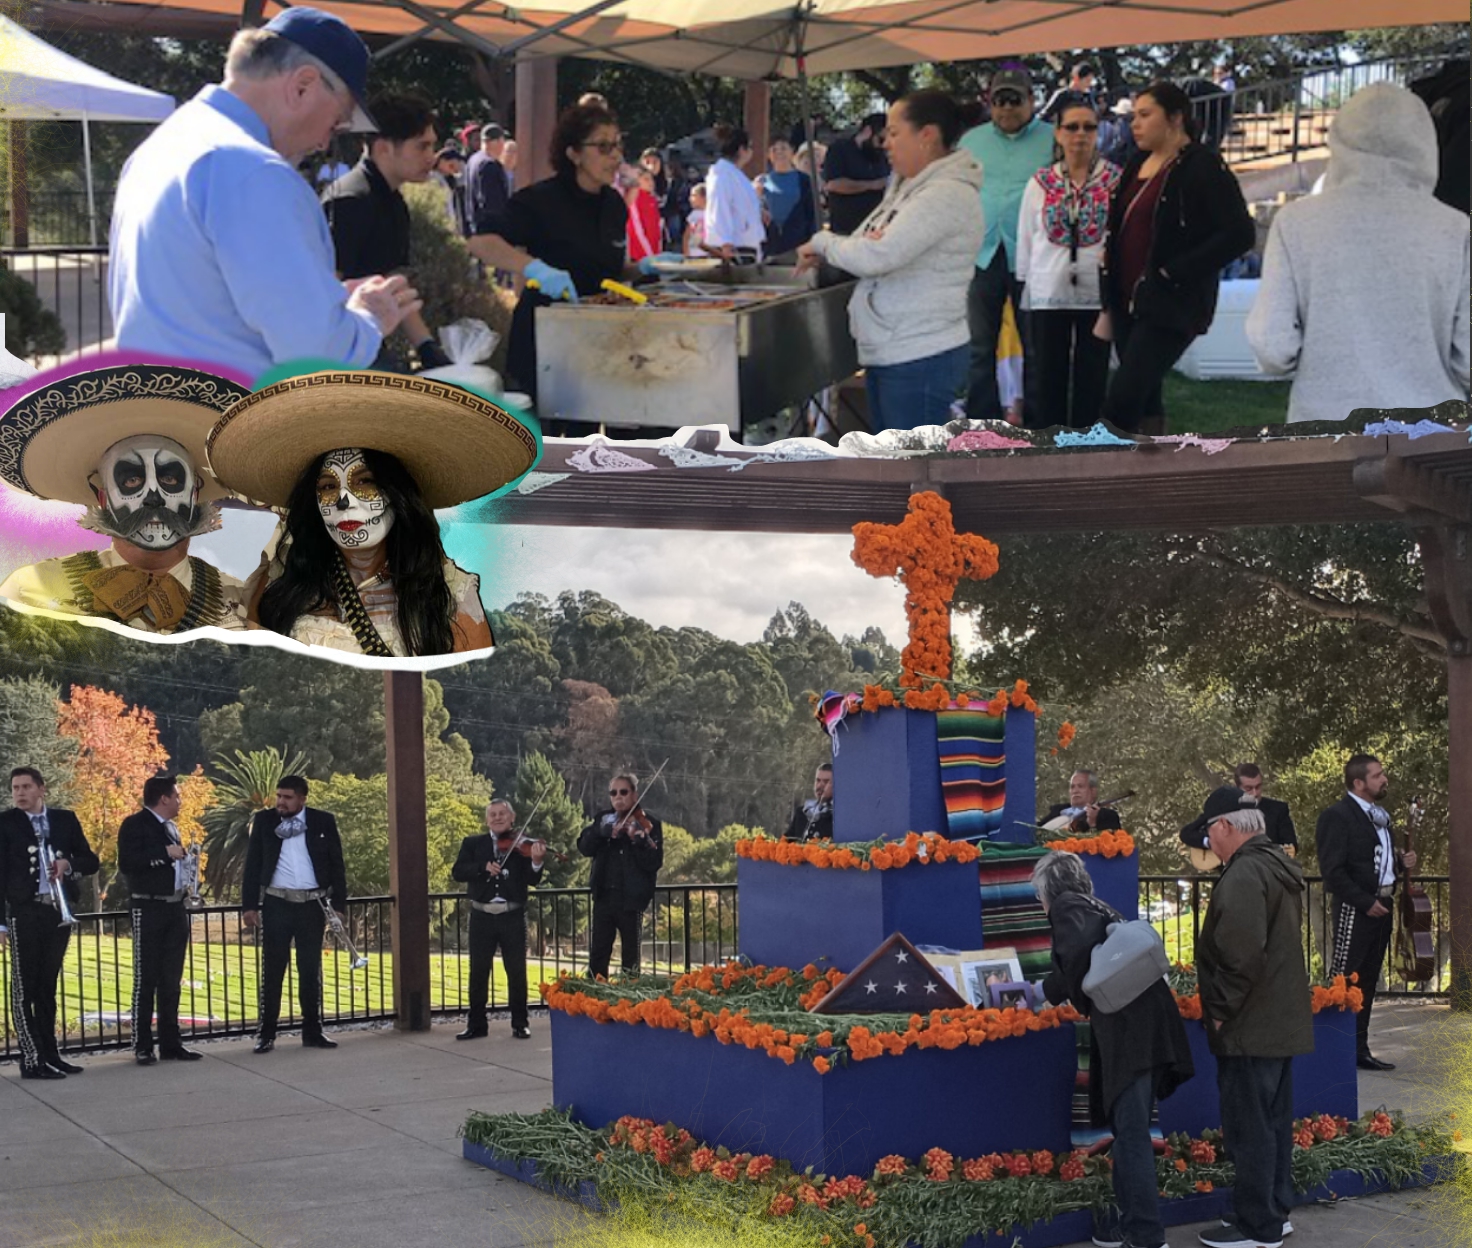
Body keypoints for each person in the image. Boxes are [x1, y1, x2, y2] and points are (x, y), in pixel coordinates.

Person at [109, 8, 419, 378]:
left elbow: (210, 303)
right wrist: (370, 316)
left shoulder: (163, 146)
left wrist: (323, 298)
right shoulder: (255, 171)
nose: (324, 142)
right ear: (302, 85)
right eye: (337, 122)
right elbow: (318, 351)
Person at [208, 369, 535, 658]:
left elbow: (472, 694)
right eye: (327, 487)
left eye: (365, 481)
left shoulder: (448, 590)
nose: (344, 501)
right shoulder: (282, 582)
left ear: (398, 494)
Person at [1245, 83, 1470, 424]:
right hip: (1431, 436)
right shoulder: (1456, 230)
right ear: (1426, 143)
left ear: (1339, 141)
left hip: (1324, 431)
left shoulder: (1295, 223)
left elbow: (1272, 347)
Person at [0, 361, 251, 634]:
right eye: (131, 479)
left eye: (169, 478)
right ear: (104, 498)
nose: (153, 497)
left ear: (195, 493)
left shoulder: (243, 605)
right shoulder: (32, 591)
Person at [797, 90, 984, 431]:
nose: (885, 142)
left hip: (920, 353)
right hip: (894, 347)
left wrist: (824, 243)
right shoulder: (905, 188)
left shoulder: (945, 193)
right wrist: (850, 249)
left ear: (926, 136)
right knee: (895, 463)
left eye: (895, 132)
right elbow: (867, 243)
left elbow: (878, 255)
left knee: (915, 469)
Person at [1034, 850, 1193, 1248]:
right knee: (1130, 1130)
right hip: (1151, 1025)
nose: (1040, 904)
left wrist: (1039, 993)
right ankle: (1132, 1225)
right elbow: (1085, 959)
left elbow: (1075, 963)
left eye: (1039, 895)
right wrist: (1040, 992)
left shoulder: (1067, 906)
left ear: (1050, 890)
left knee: (1133, 1133)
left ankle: (1145, 1235)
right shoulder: (1097, 906)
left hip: (1129, 1033)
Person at [1194, 787, 1313, 1248]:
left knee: (1251, 1127)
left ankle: (1256, 1226)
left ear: (1225, 826)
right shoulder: (1274, 865)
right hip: (1277, 1021)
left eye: (1209, 830)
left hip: (1250, 1023)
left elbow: (1241, 956)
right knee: (1273, 1123)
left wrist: (1220, 1013)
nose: (1208, 841)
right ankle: (1274, 1211)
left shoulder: (1245, 874)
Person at [1099, 80, 1254, 434]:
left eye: (1144, 115)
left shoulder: (1202, 165)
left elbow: (1239, 234)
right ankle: (1152, 473)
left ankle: (1100, 474)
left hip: (1169, 304)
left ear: (1175, 118)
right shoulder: (1137, 162)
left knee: (1122, 399)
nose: (1134, 124)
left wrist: (1175, 271)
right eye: (1133, 116)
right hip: (1126, 300)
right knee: (1145, 394)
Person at [464, 101, 630, 401]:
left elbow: (607, 269)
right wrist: (534, 268)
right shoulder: (542, 200)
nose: (616, 156)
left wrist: (643, 269)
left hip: (596, 341)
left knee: (587, 440)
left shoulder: (615, 205)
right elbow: (481, 242)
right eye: (603, 147)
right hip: (542, 343)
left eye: (617, 145)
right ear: (574, 153)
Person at [322, 91, 448, 371]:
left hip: (367, 341)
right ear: (383, 148)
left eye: (432, 146)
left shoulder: (393, 201)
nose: (432, 157)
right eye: (422, 147)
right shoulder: (349, 201)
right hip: (339, 352)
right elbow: (326, 289)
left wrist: (426, 347)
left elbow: (393, 282)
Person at [1016, 93, 1121, 428]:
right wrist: (1025, 281)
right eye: (1072, 127)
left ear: (1098, 132)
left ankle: (1087, 446)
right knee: (1048, 374)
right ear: (1058, 133)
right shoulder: (1041, 182)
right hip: (1049, 287)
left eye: (1089, 127)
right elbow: (1027, 236)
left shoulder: (1115, 180)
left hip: (1097, 290)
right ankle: (1049, 448)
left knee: (1093, 373)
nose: (1080, 134)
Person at [959, 66, 1055, 422]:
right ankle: (981, 423)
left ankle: (1037, 424)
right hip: (982, 255)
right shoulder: (971, 142)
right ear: (989, 102)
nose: (1007, 109)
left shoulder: (1054, 138)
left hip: (1034, 257)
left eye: (1016, 100)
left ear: (1032, 101)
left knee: (1035, 346)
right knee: (979, 347)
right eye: (1000, 100)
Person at [1315, 754, 1415, 1073]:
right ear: (1359, 783)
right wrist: (1363, 901)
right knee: (1346, 978)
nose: (1384, 779)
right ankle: (1332, 1050)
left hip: (1382, 907)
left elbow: (1377, 864)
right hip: (1354, 909)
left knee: (1369, 981)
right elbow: (1333, 871)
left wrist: (1401, 864)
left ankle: (1358, 1049)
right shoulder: (1337, 816)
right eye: (1377, 775)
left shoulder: (1380, 817)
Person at [0, 767, 98, 1079]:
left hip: (57, 911)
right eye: (15, 788)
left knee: (47, 987)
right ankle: (31, 1058)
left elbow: (91, 860)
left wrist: (67, 864)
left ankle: (50, 1054)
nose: (20, 793)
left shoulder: (65, 819)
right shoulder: (5, 823)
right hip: (24, 912)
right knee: (23, 988)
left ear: (42, 789)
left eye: (26, 786)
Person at [242, 776, 347, 1053]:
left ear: (302, 798)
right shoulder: (265, 822)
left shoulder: (323, 821)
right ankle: (266, 1034)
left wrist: (339, 905)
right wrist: (249, 905)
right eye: (279, 796)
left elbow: (338, 864)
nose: (281, 802)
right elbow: (252, 864)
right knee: (273, 970)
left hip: (312, 905)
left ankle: (313, 1031)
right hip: (277, 903)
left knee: (310, 971)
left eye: (287, 797)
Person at [118, 775, 201, 1065]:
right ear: (163, 798)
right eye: (177, 795)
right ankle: (142, 1044)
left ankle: (171, 1042)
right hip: (148, 907)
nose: (180, 800)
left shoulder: (172, 828)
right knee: (146, 979)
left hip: (174, 907)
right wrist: (165, 854)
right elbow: (127, 863)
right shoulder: (135, 824)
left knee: (171, 980)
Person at [452, 799, 546, 1041]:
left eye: (502, 814)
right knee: (478, 971)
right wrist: (483, 867)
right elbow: (458, 871)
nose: (497, 818)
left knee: (516, 971)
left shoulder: (522, 844)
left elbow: (532, 880)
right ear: (487, 820)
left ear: (512, 818)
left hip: (512, 915)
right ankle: (476, 1024)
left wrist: (536, 861)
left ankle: (520, 1023)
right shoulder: (473, 843)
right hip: (481, 915)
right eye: (492, 814)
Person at [578, 773, 664, 979]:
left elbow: (654, 863)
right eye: (613, 793)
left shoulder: (649, 823)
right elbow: (584, 847)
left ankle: (628, 1005)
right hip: (604, 897)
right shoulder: (603, 819)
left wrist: (640, 842)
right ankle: (596, 1002)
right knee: (598, 954)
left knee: (630, 957)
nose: (618, 797)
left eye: (623, 792)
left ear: (634, 795)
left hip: (631, 899)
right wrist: (601, 833)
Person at [702, 125, 766, 264]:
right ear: (742, 150)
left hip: (746, 243)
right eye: (750, 147)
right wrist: (725, 241)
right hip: (731, 246)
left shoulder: (735, 175)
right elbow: (719, 208)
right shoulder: (721, 175)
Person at [821, 113, 890, 236]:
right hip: (846, 229)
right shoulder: (840, 149)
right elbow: (833, 184)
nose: (883, 145)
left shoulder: (881, 155)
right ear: (867, 131)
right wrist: (872, 185)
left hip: (876, 229)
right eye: (881, 139)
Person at [757, 138, 816, 257]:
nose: (779, 152)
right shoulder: (762, 181)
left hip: (799, 243)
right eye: (774, 149)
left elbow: (812, 213)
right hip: (771, 245)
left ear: (792, 152)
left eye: (783, 148)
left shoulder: (804, 180)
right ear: (769, 155)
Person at [464, 123, 512, 240]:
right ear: (496, 142)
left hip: (475, 226)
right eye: (502, 141)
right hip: (490, 231)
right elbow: (492, 203)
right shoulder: (490, 165)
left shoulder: (473, 160)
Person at [1234, 764, 1296, 853]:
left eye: (1258, 787)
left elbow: (1290, 844)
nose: (1255, 793)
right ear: (1237, 788)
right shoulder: (1227, 813)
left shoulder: (1278, 810)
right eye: (1249, 789)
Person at [1042, 769, 1124, 832]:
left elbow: (1111, 844)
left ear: (1093, 791)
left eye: (1080, 786)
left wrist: (1092, 824)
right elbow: (1038, 831)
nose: (1075, 791)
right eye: (1072, 787)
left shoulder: (1108, 816)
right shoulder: (1057, 811)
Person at [784, 763, 834, 842]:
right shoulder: (801, 812)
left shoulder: (838, 816)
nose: (820, 786)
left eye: (826, 782)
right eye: (818, 780)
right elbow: (786, 840)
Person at [625, 166, 663, 264]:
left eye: (652, 179)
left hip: (654, 255)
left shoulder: (652, 199)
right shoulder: (634, 199)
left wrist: (658, 252)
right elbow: (636, 230)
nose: (651, 182)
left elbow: (657, 229)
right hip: (641, 256)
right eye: (646, 179)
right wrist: (649, 255)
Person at [430, 145, 466, 232]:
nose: (455, 168)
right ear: (441, 161)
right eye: (451, 164)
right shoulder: (431, 179)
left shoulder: (450, 179)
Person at [683, 183, 709, 256]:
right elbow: (687, 235)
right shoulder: (693, 214)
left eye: (693, 195)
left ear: (704, 197)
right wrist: (686, 252)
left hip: (708, 254)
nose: (690, 199)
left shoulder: (712, 215)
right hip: (693, 253)